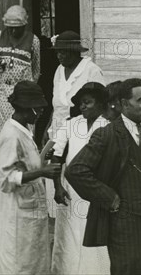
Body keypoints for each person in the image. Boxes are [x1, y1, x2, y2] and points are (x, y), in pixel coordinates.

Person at [66, 78, 141, 275]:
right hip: (123, 225)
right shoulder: (106, 135)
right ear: (125, 104)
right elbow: (75, 170)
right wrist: (108, 198)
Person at [0, 80, 62, 275]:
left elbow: (23, 162)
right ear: (25, 108)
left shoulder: (24, 129)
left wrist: (41, 159)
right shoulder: (11, 135)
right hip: (15, 206)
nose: (40, 113)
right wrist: (41, 172)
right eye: (37, 109)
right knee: (17, 259)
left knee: (32, 257)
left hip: (28, 202)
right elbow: (5, 178)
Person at [51, 82, 111, 275]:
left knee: (94, 234)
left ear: (101, 104)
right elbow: (56, 156)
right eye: (81, 103)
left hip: (96, 191)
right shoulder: (71, 124)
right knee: (69, 236)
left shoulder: (108, 127)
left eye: (88, 102)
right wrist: (57, 187)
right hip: (70, 191)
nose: (83, 107)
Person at [46, 30, 105, 216]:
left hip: (81, 131)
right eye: (57, 52)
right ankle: (61, 229)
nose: (60, 55)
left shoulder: (91, 70)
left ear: (75, 51)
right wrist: (48, 129)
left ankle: (83, 225)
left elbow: (100, 104)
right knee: (56, 175)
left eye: (64, 52)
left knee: (75, 174)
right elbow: (56, 104)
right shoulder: (58, 70)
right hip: (57, 129)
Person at [0, 5, 41, 161]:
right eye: (10, 28)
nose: (13, 31)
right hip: (1, 94)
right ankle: (1, 169)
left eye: (17, 28)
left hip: (21, 96)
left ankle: (22, 170)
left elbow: (36, 69)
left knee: (21, 132)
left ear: (24, 25)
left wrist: (27, 89)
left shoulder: (33, 41)